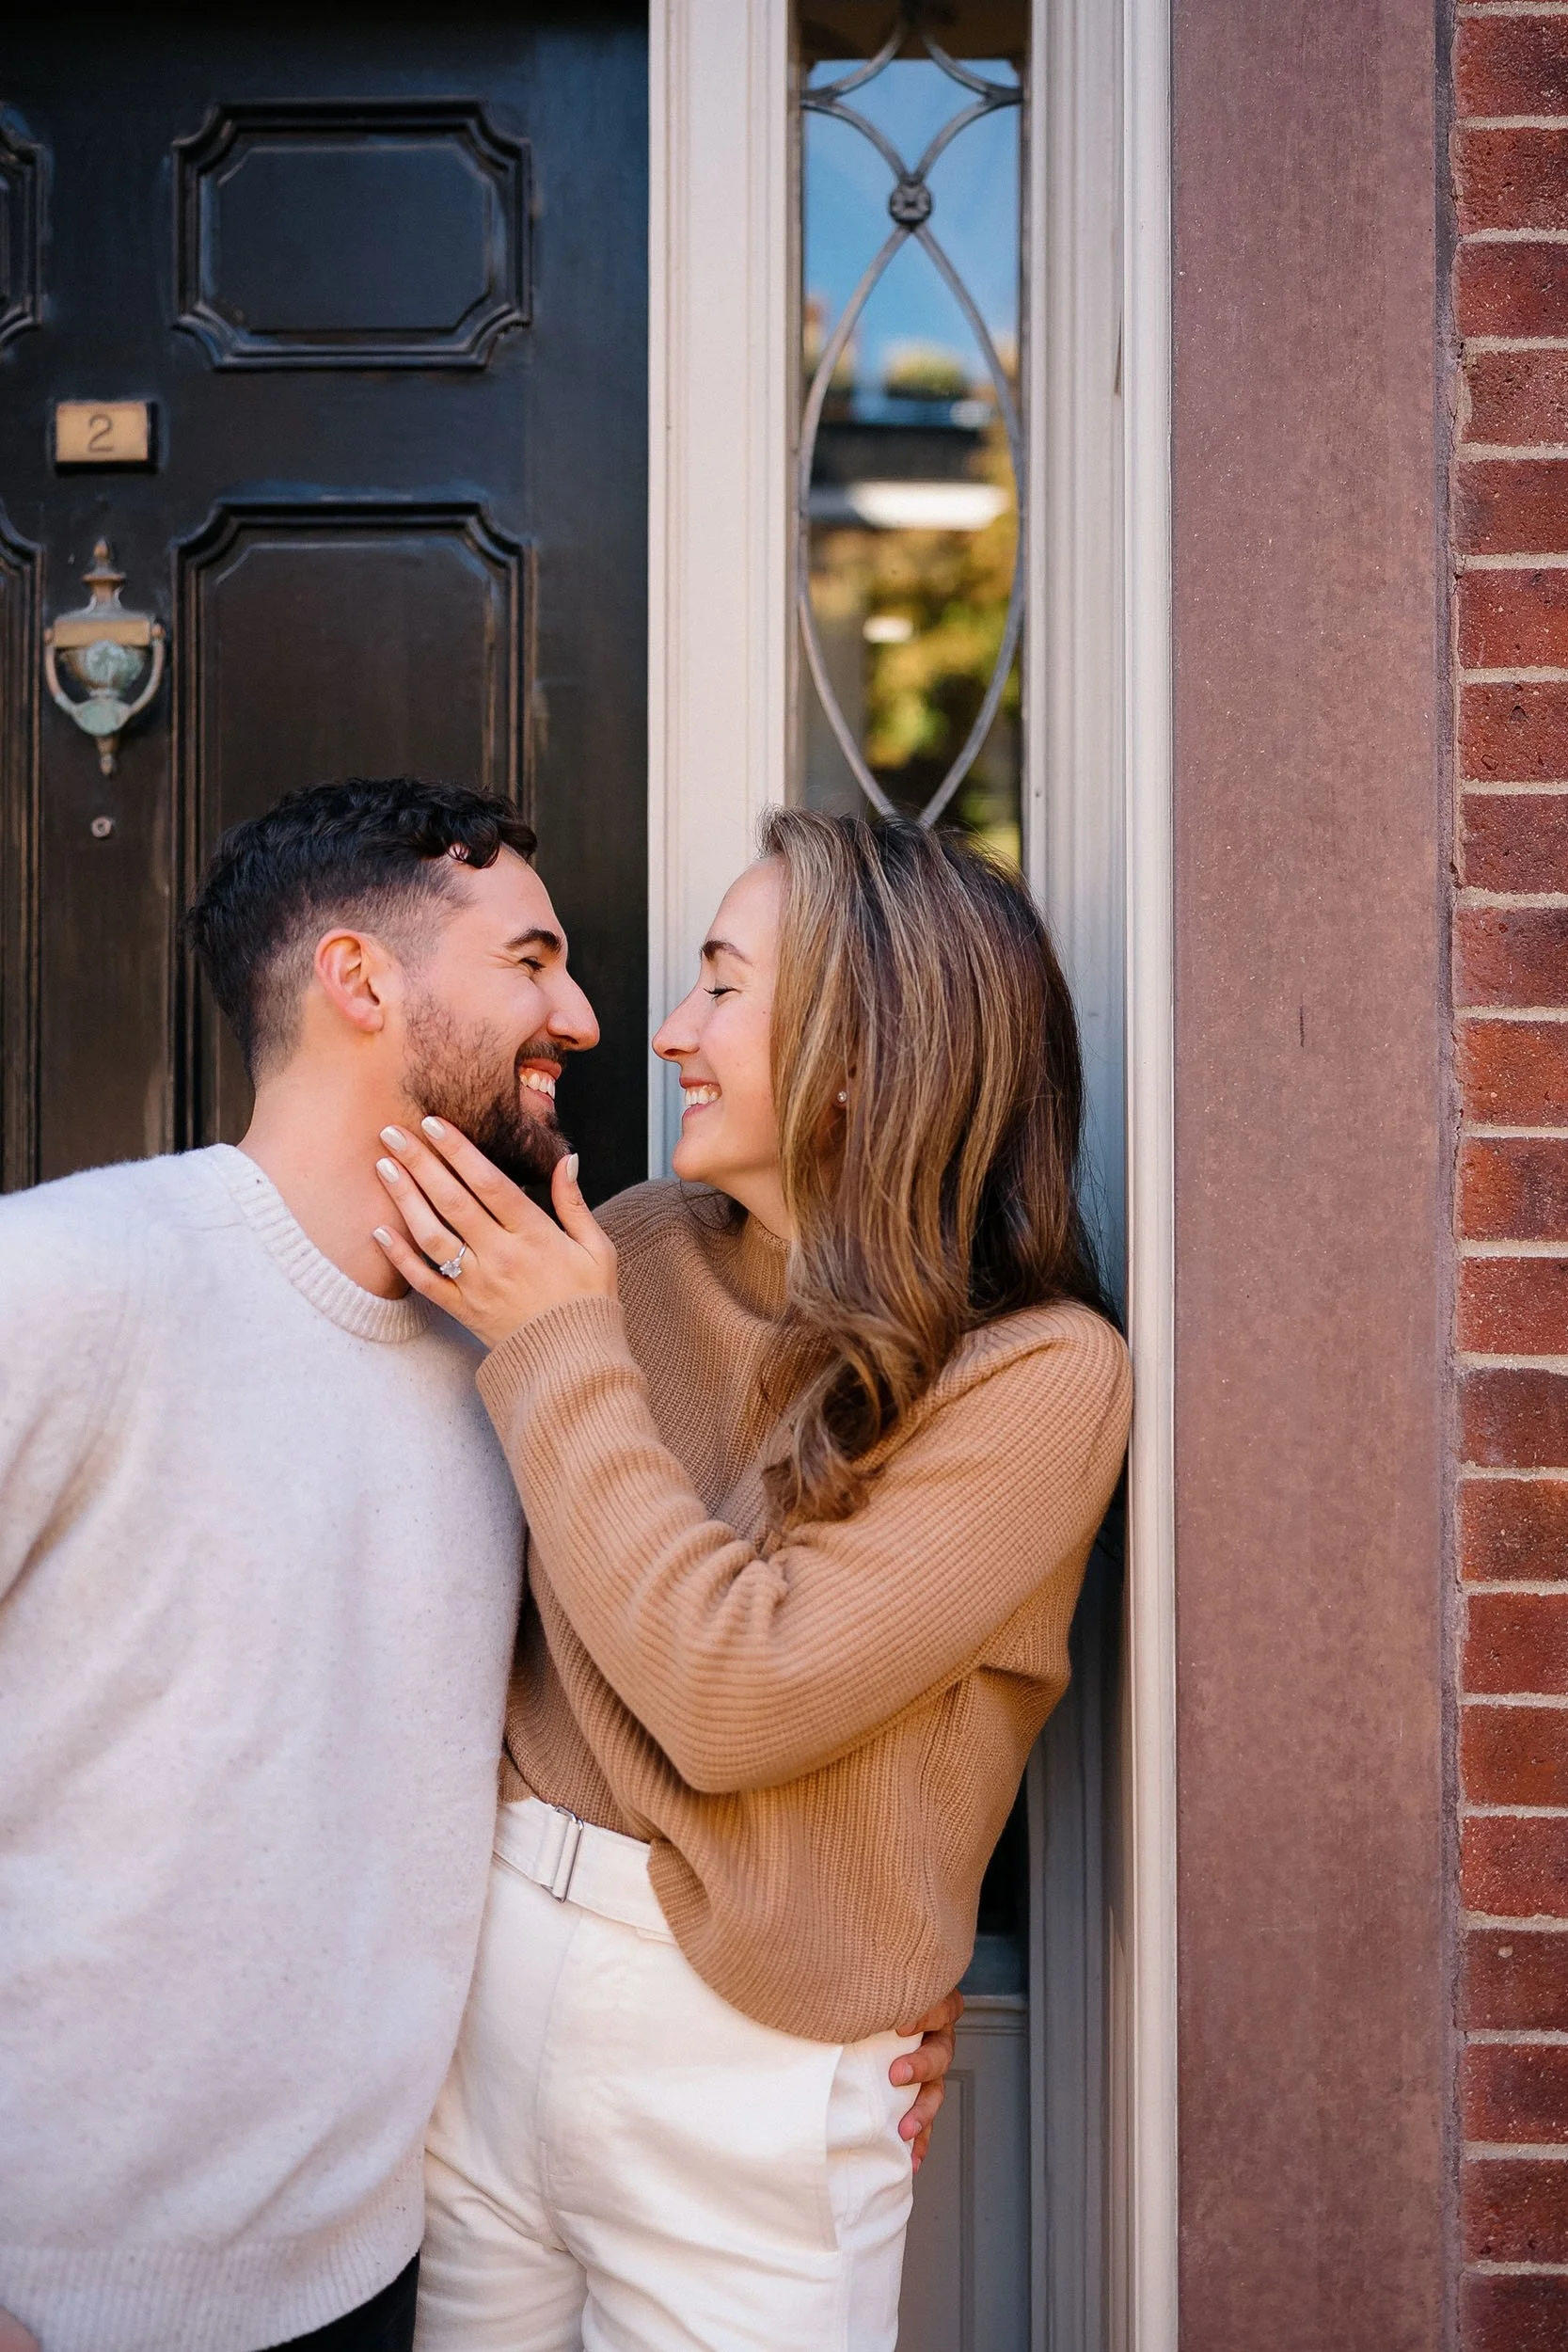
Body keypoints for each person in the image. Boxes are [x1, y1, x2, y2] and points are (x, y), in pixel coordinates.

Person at [0, 777, 953, 2352]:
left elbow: (632, 1702)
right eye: (532, 960)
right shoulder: (67, 1280)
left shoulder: (524, 1354)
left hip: (381, 2276)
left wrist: (875, 1948)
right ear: (361, 982)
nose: (585, 1016)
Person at [372, 808, 1133, 2352]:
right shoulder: (630, 1253)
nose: (666, 1034)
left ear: (862, 1050)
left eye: (720, 984)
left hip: (747, 2064)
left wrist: (556, 1347)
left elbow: (738, 1699)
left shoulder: (1040, 1376)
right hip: (484, 1986)